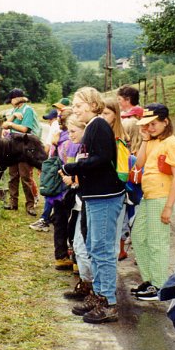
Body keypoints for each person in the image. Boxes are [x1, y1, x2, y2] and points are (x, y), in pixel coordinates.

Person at [61, 87, 125, 324]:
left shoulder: (97, 125)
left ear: (91, 103)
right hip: (95, 196)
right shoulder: (93, 126)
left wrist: (73, 167)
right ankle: (97, 294)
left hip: (105, 196)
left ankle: (107, 301)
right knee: (93, 246)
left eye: (78, 105)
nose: (75, 110)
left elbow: (101, 159)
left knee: (102, 249)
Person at [131, 103, 175, 301]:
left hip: (161, 197)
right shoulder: (153, 141)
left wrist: (168, 207)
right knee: (138, 236)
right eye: (146, 124)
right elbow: (139, 164)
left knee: (157, 241)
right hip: (148, 196)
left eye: (153, 124)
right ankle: (149, 279)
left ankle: (159, 285)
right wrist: (145, 139)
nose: (149, 128)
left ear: (165, 122)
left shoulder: (171, 143)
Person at [61, 116, 91, 299]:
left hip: (87, 202)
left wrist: (72, 179)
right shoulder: (81, 148)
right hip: (80, 203)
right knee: (79, 245)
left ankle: (91, 285)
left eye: (73, 131)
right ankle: (85, 283)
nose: (69, 135)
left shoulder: (86, 150)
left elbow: (86, 175)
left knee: (83, 246)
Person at [47, 108, 81, 270]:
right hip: (70, 186)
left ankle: (60, 256)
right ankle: (76, 259)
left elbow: (51, 159)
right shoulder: (73, 142)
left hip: (57, 187)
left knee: (60, 221)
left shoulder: (57, 140)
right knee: (75, 221)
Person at [1, 88, 42, 216]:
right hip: (14, 145)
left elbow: (25, 129)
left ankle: (30, 205)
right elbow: (4, 125)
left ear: (17, 99)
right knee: (13, 175)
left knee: (25, 176)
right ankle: (13, 203)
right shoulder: (15, 110)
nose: (10, 102)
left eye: (12, 99)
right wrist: (12, 117)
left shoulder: (27, 110)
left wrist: (11, 125)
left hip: (25, 145)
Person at [101, 98, 131, 261]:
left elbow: (122, 174)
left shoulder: (118, 140)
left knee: (110, 238)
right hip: (103, 192)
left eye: (106, 113)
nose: (102, 117)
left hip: (112, 194)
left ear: (115, 115)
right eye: (101, 113)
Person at [29, 108, 60, 232]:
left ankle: (45, 220)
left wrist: (43, 164)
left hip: (53, 163)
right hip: (57, 163)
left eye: (50, 119)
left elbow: (47, 146)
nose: (49, 122)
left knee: (50, 190)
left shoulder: (54, 126)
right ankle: (49, 217)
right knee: (55, 191)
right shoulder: (59, 126)